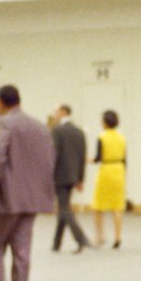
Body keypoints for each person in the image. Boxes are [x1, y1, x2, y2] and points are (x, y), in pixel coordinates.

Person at [0, 84, 55, 281]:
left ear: (1, 103)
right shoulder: (40, 127)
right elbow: (49, 160)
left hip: (7, 199)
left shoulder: (4, 122)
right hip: (32, 200)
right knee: (22, 253)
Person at [50, 104, 91, 254]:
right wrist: (81, 178)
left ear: (62, 112)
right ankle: (56, 243)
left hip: (60, 175)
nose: (54, 115)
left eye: (56, 112)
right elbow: (82, 156)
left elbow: (54, 154)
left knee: (64, 208)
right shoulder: (79, 132)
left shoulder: (57, 131)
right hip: (73, 175)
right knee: (64, 206)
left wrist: (49, 174)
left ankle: (81, 239)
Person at [91, 109, 127, 249]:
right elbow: (125, 158)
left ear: (105, 122)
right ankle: (118, 237)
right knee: (117, 207)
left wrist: (89, 159)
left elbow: (98, 158)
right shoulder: (122, 137)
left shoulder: (102, 137)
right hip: (119, 170)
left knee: (98, 206)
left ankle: (100, 236)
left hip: (106, 170)